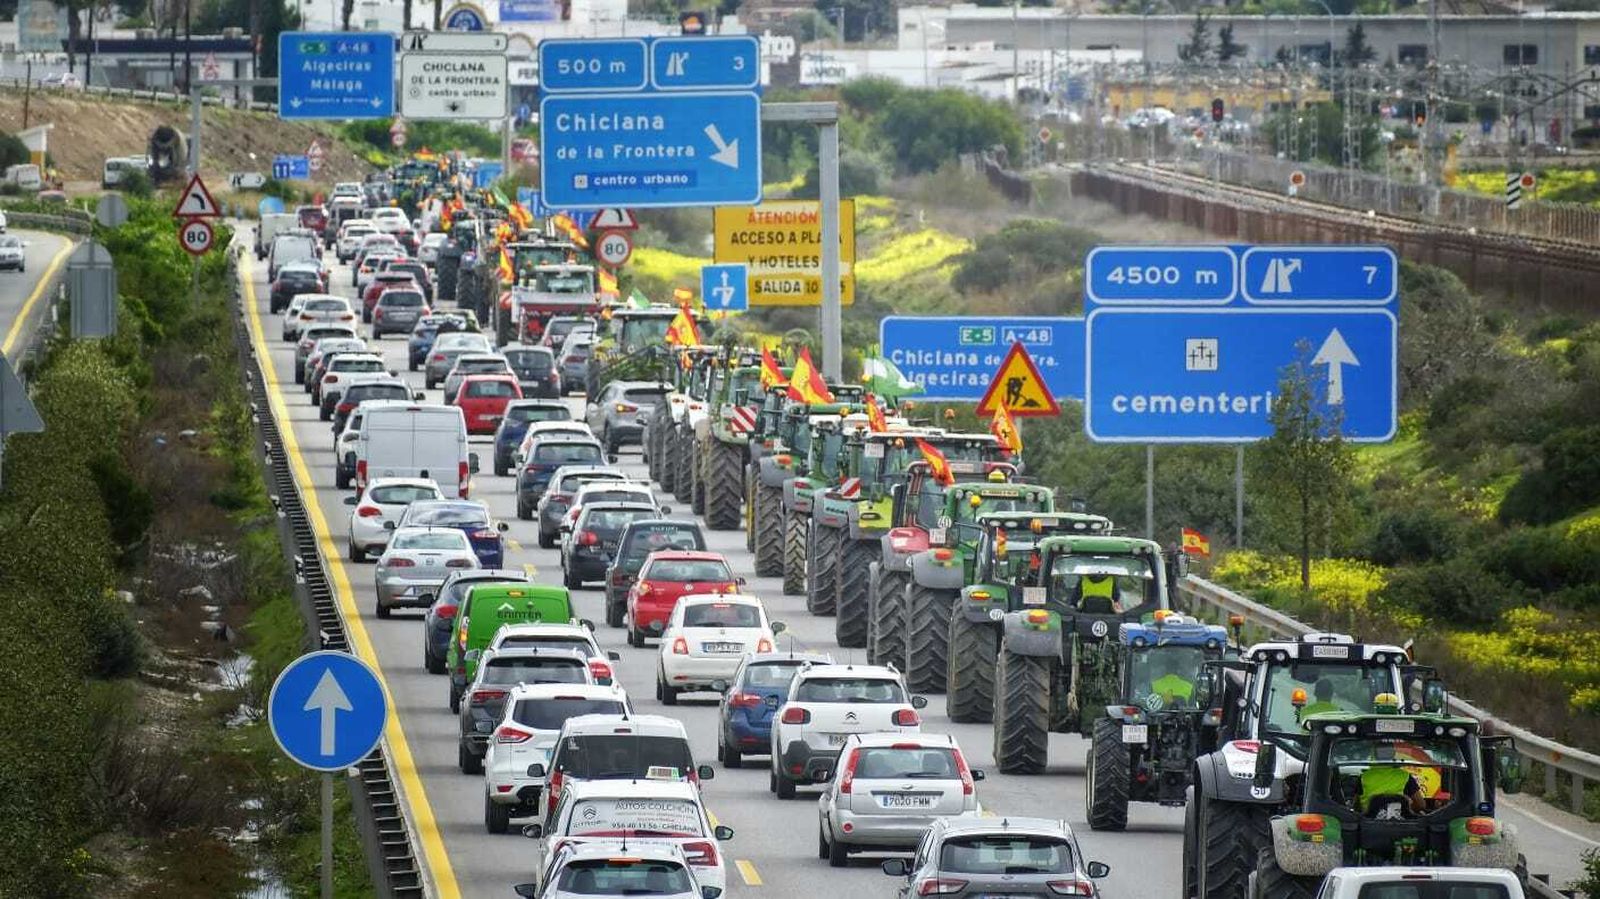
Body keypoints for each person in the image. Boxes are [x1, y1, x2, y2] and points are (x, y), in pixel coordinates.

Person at [1357, 743, 1425, 818]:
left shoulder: (1364, 777)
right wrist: (1410, 809)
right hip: (1401, 824)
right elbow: (1421, 804)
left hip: (1368, 824)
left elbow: (1356, 806)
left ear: (1374, 755)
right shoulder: (1404, 776)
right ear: (1393, 754)